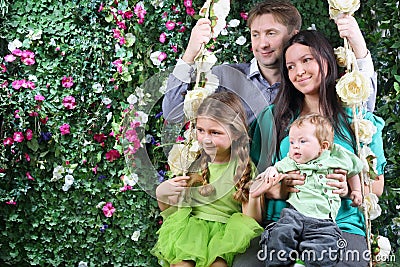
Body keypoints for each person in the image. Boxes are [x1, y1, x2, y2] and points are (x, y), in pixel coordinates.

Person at [250, 30, 386, 267]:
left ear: (327, 60)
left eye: (306, 60)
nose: (298, 71)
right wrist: (276, 189)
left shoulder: (357, 120)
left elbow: (376, 186)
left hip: (340, 225)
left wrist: (350, 188)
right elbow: (254, 181)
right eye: (290, 66)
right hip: (284, 224)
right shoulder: (273, 117)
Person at [161, 0, 377, 126]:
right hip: (240, 192)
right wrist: (189, 55)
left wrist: (358, 48)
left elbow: (363, 112)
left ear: (293, 35)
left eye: (271, 33)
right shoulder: (226, 77)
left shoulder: (308, 81)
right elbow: (173, 114)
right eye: (256, 35)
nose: (262, 43)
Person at [151, 91, 264, 267]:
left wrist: (254, 194)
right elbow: (172, 213)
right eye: (201, 130)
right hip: (190, 231)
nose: (206, 139)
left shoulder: (243, 167)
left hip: (224, 233)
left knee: (217, 264)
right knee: (182, 264)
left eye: (215, 132)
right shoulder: (192, 162)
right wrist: (162, 195)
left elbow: (251, 222)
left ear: (235, 133)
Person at [252, 113, 363, 267]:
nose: (295, 146)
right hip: (294, 214)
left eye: (302, 141)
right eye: (291, 142)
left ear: (323, 146)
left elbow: (354, 169)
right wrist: (271, 171)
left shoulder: (336, 156)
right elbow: (277, 168)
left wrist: (356, 191)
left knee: (324, 246)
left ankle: (304, 264)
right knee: (279, 235)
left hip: (324, 221)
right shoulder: (293, 161)